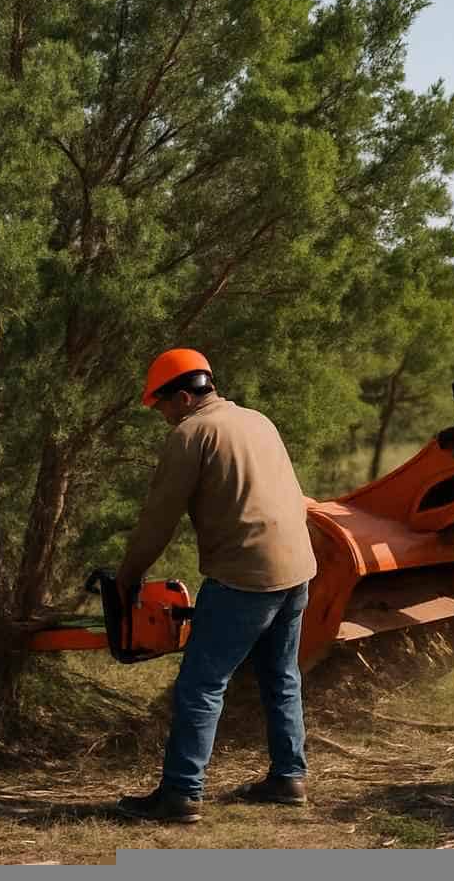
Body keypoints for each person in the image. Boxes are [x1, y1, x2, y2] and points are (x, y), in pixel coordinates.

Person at [113, 348, 318, 824]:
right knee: (281, 676)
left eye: (161, 406)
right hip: (297, 569)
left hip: (245, 577)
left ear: (183, 397)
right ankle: (289, 778)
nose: (161, 417)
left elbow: (157, 520)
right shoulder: (256, 419)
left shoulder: (193, 433)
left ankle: (181, 794)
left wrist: (128, 579)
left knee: (201, 684)